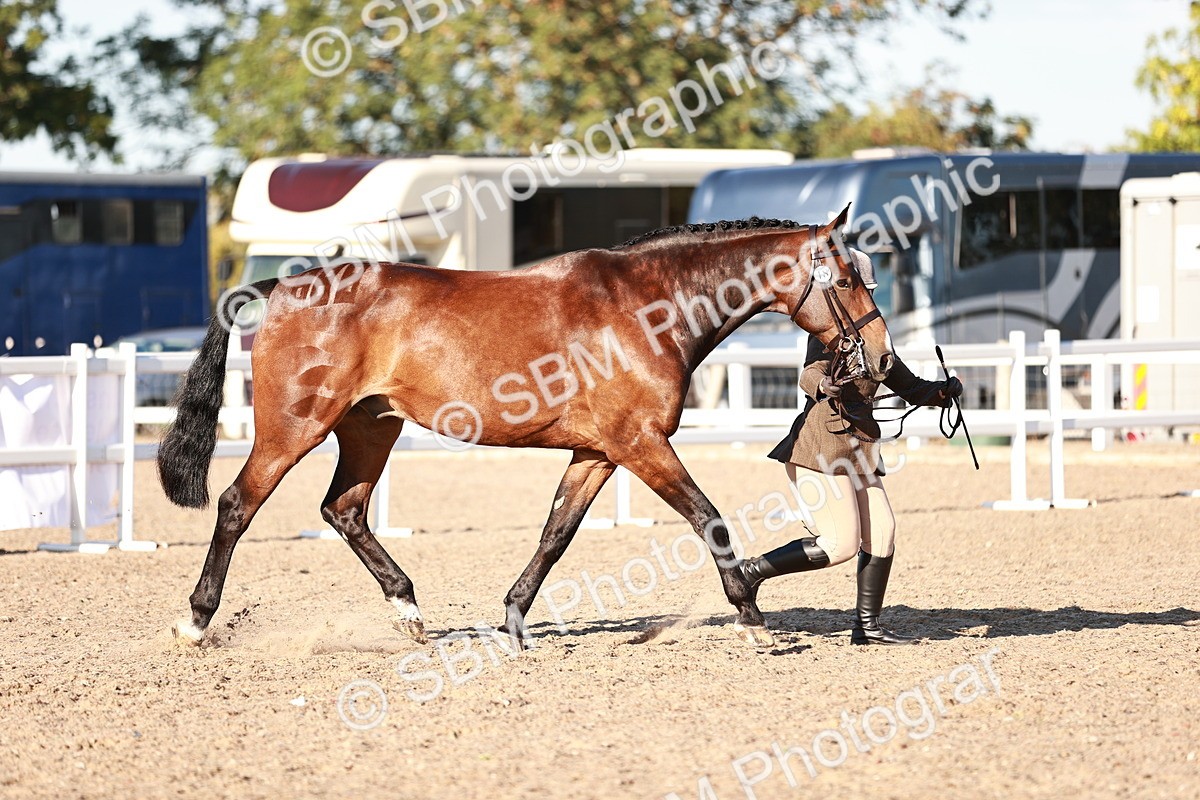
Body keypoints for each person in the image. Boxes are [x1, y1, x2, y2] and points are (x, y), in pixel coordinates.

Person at [740, 249, 962, 645]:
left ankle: (868, 627)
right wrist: (822, 386)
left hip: (859, 450)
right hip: (819, 448)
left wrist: (943, 392)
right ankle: (751, 571)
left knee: (884, 532)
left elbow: (908, 387)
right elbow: (810, 374)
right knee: (839, 544)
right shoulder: (826, 333)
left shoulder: (876, 341)